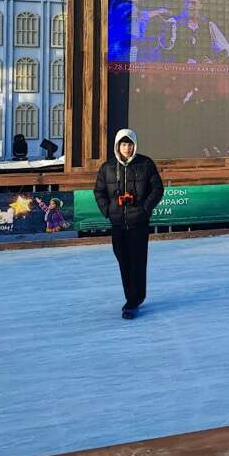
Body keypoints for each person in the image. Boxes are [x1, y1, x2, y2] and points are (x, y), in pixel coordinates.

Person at [93, 129, 164, 319]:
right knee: (123, 261)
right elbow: (99, 191)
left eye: (130, 144)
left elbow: (157, 189)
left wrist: (145, 209)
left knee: (137, 262)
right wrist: (108, 210)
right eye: (123, 144)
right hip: (118, 224)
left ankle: (133, 301)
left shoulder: (145, 164)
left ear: (135, 145)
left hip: (138, 223)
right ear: (117, 146)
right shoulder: (107, 167)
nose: (127, 148)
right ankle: (133, 297)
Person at [159, 0, 229, 63]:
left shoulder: (209, 25)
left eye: (193, 3)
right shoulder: (173, 22)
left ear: (200, 6)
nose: (189, 6)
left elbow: (226, 49)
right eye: (187, 3)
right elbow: (166, 48)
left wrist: (213, 61)